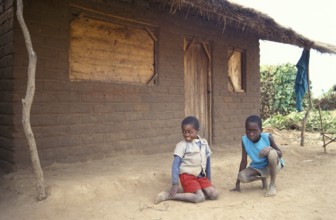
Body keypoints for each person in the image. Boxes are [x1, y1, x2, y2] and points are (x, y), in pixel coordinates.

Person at [155, 116, 218, 203]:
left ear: (197, 130)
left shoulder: (204, 143)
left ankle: (191, 192)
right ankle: (169, 196)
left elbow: (207, 162)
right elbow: (175, 166)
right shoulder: (181, 145)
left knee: (214, 194)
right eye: (184, 132)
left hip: (200, 176)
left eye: (190, 132)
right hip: (187, 176)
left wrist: (209, 180)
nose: (186, 134)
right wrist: (175, 184)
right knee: (200, 197)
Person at [231, 115, 284, 197]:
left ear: (261, 130)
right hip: (258, 168)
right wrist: (237, 184)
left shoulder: (267, 137)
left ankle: (272, 185)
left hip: (273, 166)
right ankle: (263, 177)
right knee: (242, 176)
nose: (251, 134)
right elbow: (244, 161)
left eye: (255, 131)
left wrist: (270, 148)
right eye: (248, 131)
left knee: (272, 153)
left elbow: (280, 154)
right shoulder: (244, 140)